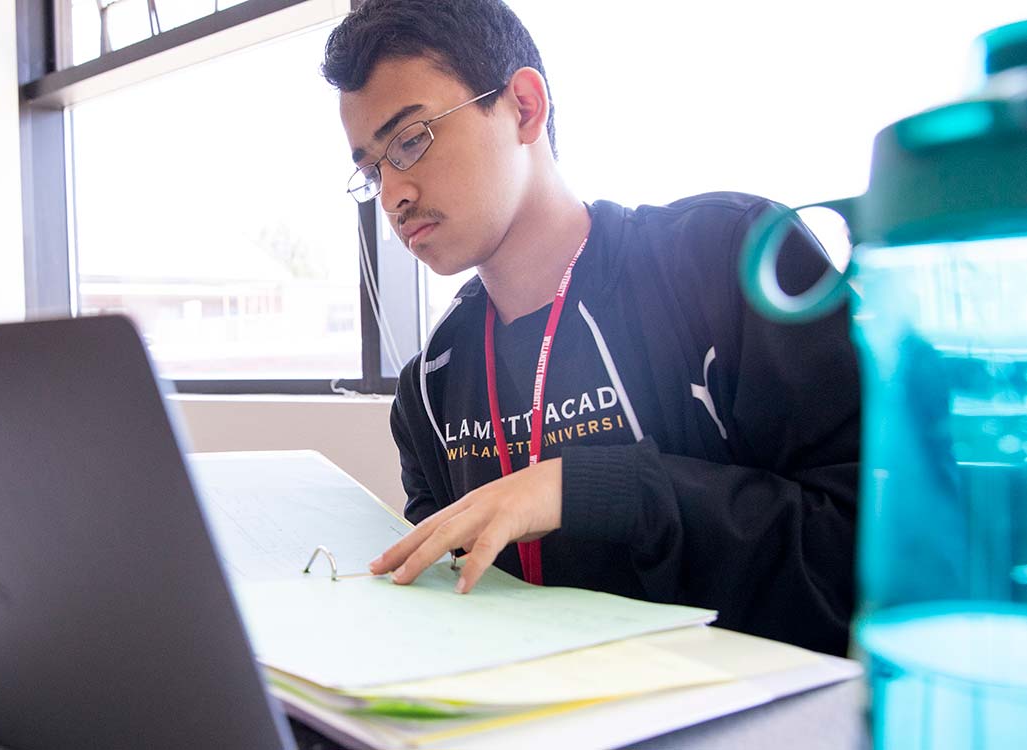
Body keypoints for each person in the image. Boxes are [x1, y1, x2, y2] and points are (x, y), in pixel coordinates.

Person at [323, 0, 859, 655]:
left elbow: (873, 549)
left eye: (409, 140)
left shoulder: (727, 260)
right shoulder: (429, 391)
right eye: (372, 169)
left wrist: (597, 488)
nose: (392, 196)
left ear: (523, 106)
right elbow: (454, 607)